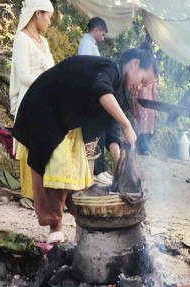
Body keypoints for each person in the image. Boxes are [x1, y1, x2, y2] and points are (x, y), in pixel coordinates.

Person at [12, 49, 157, 243]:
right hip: (45, 108)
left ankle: (85, 225)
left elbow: (112, 132)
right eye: (143, 80)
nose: (140, 87)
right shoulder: (110, 68)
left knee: (79, 176)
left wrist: (123, 166)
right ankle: (55, 226)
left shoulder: (120, 93)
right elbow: (101, 89)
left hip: (66, 119)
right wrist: (128, 124)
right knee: (58, 168)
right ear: (134, 64)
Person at [9, 0, 55, 201]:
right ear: (37, 13)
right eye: (49, 17)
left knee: (46, 145)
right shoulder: (21, 39)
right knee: (31, 146)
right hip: (30, 100)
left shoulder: (43, 42)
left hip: (46, 100)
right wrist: (47, 80)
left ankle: (47, 194)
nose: (50, 22)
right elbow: (24, 75)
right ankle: (30, 194)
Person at [77, 17, 117, 185]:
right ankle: (96, 171)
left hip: (94, 95)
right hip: (90, 95)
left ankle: (100, 169)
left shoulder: (91, 44)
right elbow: (88, 70)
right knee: (95, 134)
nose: (102, 38)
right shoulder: (86, 44)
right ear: (97, 29)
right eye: (103, 34)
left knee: (101, 132)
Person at [132, 77, 157, 156]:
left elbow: (154, 94)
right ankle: (144, 149)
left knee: (150, 129)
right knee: (142, 129)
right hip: (141, 108)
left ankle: (146, 147)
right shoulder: (138, 78)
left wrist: (156, 109)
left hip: (151, 109)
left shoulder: (152, 79)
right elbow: (133, 96)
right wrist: (135, 108)